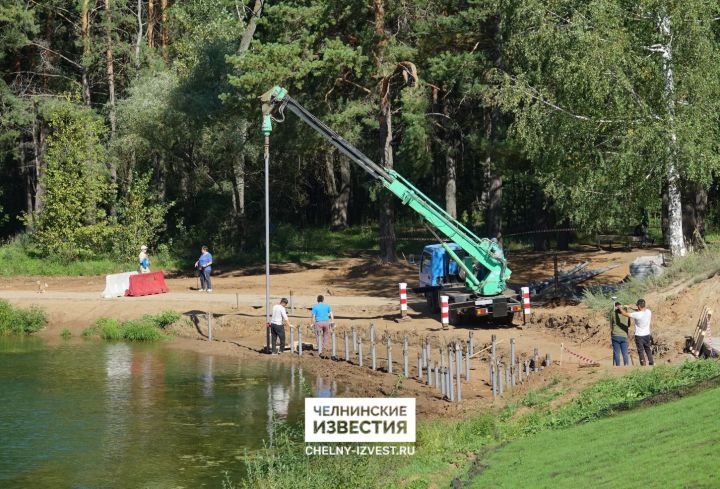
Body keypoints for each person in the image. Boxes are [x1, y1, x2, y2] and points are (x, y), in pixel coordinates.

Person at [619, 298, 654, 366]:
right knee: (648, 349)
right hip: (647, 335)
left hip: (639, 336)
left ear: (638, 306)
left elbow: (624, 313)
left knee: (640, 351)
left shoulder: (637, 314)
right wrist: (629, 307)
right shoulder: (649, 312)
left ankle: (643, 364)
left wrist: (620, 308)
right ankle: (651, 362)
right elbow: (639, 310)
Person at [610, 301, 630, 366]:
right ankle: (626, 366)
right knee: (625, 353)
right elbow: (629, 325)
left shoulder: (613, 313)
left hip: (615, 335)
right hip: (624, 335)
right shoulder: (626, 314)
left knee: (617, 353)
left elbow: (611, 326)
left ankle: (618, 367)